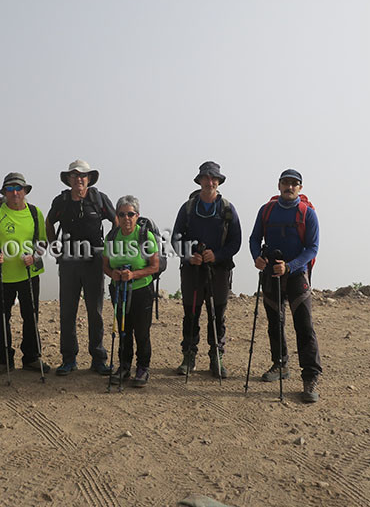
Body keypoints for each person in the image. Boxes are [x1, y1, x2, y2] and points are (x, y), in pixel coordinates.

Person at [248, 168, 322, 403]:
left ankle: (310, 377)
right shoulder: (267, 210)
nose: (289, 187)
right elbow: (254, 238)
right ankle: (280, 364)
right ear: (279, 185)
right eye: (285, 183)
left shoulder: (307, 213)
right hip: (271, 274)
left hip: (296, 275)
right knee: (274, 323)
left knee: (304, 327)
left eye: (294, 183)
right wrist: (257, 258)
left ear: (300, 188)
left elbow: (312, 247)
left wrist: (290, 266)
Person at [171, 161, 242, 378]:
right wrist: (188, 256)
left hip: (219, 271)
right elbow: (175, 239)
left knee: (217, 315)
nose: (210, 182)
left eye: (213, 178)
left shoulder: (227, 209)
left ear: (218, 181)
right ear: (200, 180)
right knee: (191, 314)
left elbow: (235, 242)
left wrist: (217, 255)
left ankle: (216, 357)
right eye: (206, 178)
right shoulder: (188, 208)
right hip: (192, 270)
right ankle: (188, 356)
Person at [45, 159, 116, 376]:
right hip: (69, 262)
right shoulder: (61, 201)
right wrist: (54, 247)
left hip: (94, 261)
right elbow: (49, 223)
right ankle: (69, 359)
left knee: (95, 312)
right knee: (67, 312)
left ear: (89, 178)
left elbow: (116, 222)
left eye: (83, 175)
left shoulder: (99, 199)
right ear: (68, 179)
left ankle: (98, 359)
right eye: (74, 175)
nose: (79, 179)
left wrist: (109, 250)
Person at [0, 172, 50, 376]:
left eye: (18, 188)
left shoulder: (35, 212)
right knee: (2, 318)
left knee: (31, 316)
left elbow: (43, 241)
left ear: (25, 191)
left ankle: (31, 358)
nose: (14, 193)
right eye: (10, 189)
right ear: (4, 192)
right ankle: (4, 360)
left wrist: (34, 257)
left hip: (29, 274)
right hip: (1, 275)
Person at [103, 195, 159, 387]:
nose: (126, 218)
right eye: (122, 214)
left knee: (141, 332)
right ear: (117, 216)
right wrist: (113, 274)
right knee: (123, 330)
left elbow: (154, 266)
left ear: (137, 216)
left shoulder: (145, 236)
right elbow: (105, 265)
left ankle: (143, 368)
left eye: (130, 214)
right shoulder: (112, 237)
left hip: (142, 291)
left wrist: (133, 274)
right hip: (119, 290)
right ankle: (124, 366)